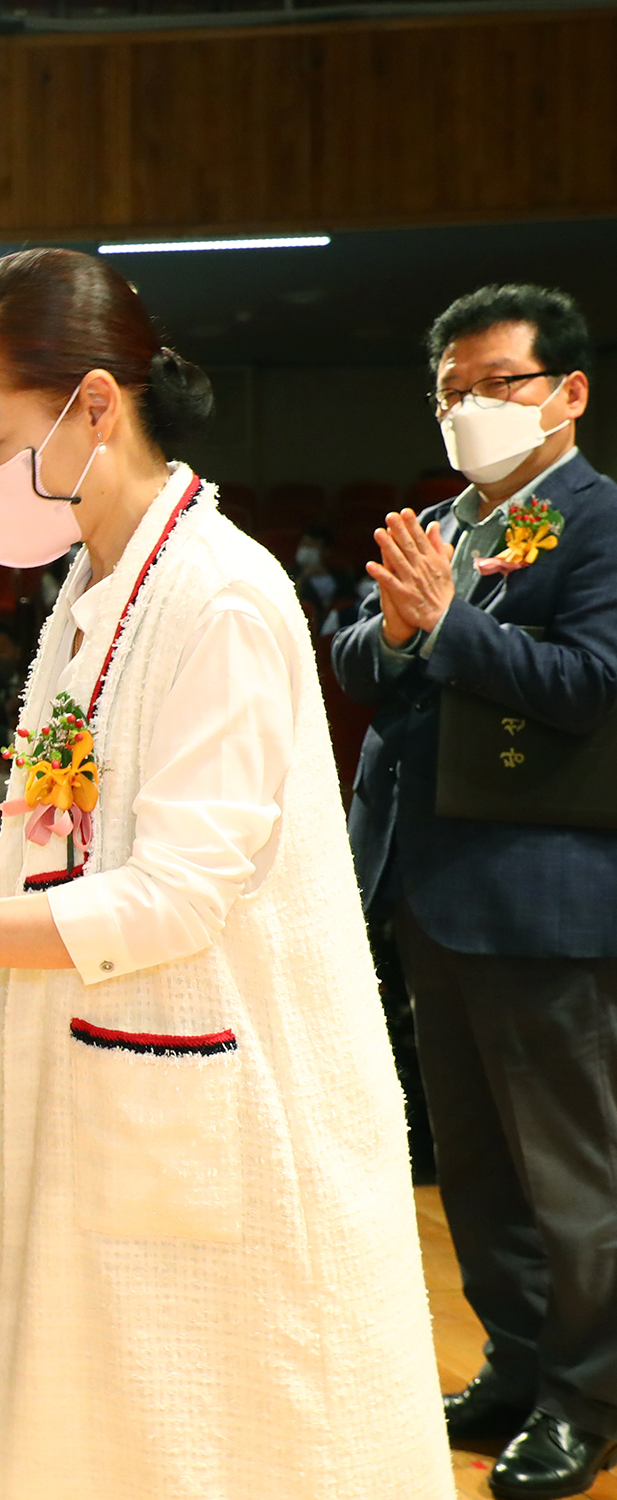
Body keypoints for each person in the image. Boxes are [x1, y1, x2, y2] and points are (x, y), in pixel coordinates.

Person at [0, 247, 449, 1500]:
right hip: (103, 1081)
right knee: (99, 1435)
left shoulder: (220, 595)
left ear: (96, 408)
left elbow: (177, 895)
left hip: (223, 1105)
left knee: (236, 1445)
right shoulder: (93, 587)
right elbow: (41, 854)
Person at [333, 282, 617, 1499]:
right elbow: (353, 656)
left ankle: (586, 1397)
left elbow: (593, 684)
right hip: (430, 882)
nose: (468, 408)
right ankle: (515, 1361)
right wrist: (399, 634)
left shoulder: (602, 521)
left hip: (546, 894)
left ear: (567, 392)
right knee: (476, 1167)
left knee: (571, 1173)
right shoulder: (443, 521)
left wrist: (443, 630)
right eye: (450, 391)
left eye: (495, 383)